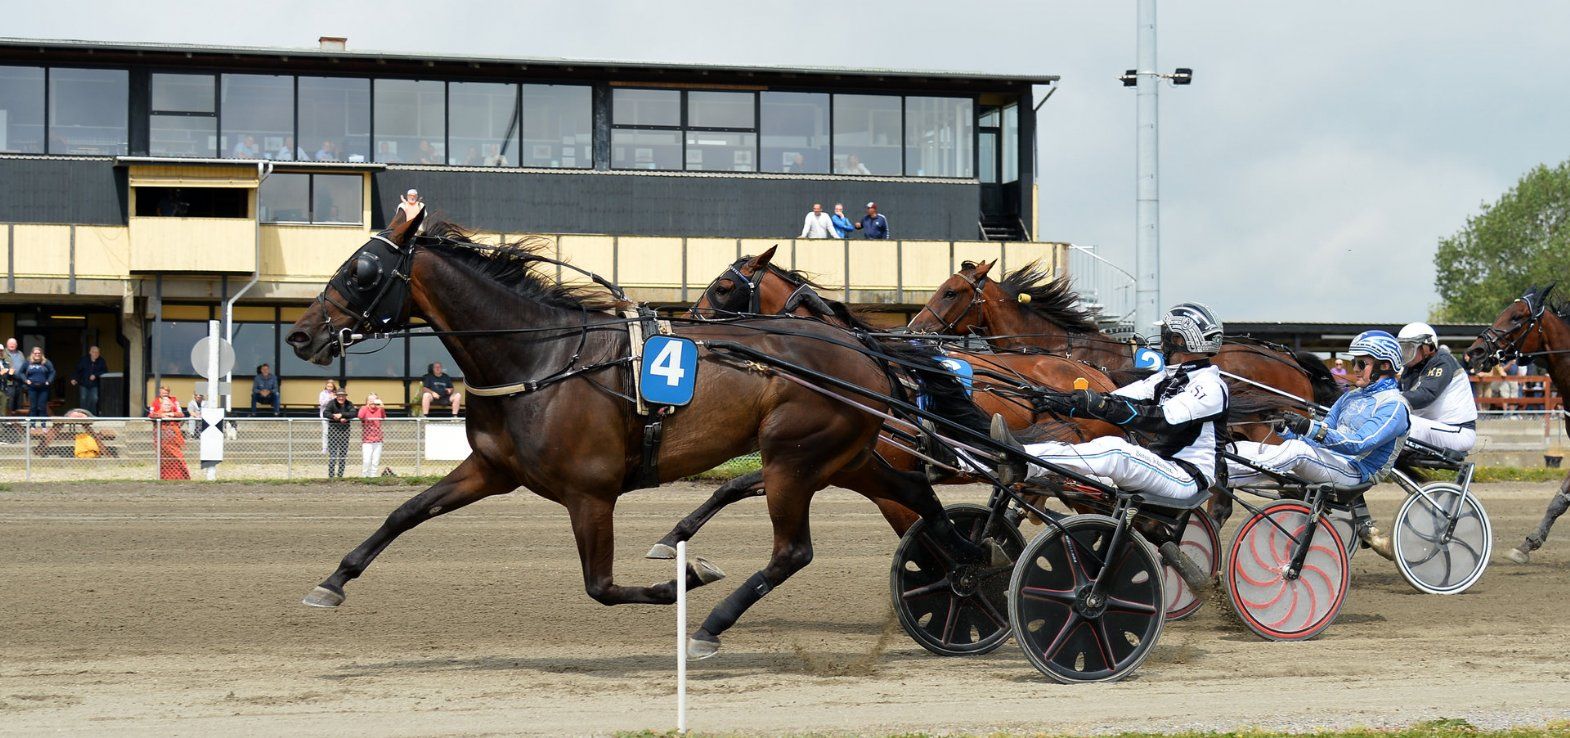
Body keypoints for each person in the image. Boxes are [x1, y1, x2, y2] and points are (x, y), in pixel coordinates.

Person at [991, 303, 1230, 577]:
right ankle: (998, 459)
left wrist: (1104, 407)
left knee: (1117, 452)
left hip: (1186, 477)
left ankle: (1023, 459)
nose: (1162, 340)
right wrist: (1054, 400)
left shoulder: (1210, 386)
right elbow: (1116, 400)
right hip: (1162, 470)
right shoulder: (1165, 379)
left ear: (1179, 339)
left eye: (1167, 334)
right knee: (1083, 449)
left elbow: (1163, 418)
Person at [1226, 330, 1411, 560]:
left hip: (1356, 472)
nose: (1354, 369)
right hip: (1329, 461)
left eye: (1361, 363)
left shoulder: (1394, 407)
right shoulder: (1350, 397)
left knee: (1298, 452)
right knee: (1242, 449)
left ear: (1384, 366)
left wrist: (1309, 427)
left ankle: (1222, 475)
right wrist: (1286, 430)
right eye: (1354, 362)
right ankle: (1221, 466)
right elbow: (1323, 430)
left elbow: (1360, 444)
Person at [1396, 322, 1476, 455]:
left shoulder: (1442, 361)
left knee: (1403, 423)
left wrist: (1388, 398)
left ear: (1428, 347)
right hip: (1433, 428)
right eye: (1403, 348)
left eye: (1409, 348)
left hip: (1456, 431)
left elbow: (1425, 395)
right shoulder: (1411, 369)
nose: (1405, 353)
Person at [148, 386, 190, 480]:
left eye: (167, 392)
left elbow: (181, 414)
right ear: (160, 392)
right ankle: (164, 477)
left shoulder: (174, 400)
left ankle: (182, 476)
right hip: (161, 434)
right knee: (163, 457)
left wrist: (172, 414)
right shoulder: (155, 402)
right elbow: (150, 415)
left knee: (178, 456)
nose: (165, 394)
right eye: (163, 392)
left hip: (173, 434)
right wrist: (161, 415)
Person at [324, 388, 356, 478]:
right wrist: (334, 416)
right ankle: (331, 476)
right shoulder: (331, 403)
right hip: (333, 431)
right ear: (336, 396)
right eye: (339, 396)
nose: (341, 398)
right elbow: (325, 413)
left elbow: (353, 413)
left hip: (345, 432)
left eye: (343, 396)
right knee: (333, 455)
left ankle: (340, 475)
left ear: (345, 396)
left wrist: (342, 415)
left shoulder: (349, 403)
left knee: (343, 455)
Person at [20, 347, 55, 419]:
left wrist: (49, 381)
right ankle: (32, 425)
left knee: (42, 406)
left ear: (41, 354)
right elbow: (21, 372)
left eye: (39, 353)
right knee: (33, 407)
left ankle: (43, 425)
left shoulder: (46, 362)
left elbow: (52, 372)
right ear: (32, 354)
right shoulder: (28, 362)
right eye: (35, 353)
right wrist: (26, 380)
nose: (37, 355)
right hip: (32, 388)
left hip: (43, 388)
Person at [71, 345, 107, 415]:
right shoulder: (84, 360)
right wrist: (74, 378)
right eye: (94, 352)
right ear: (90, 352)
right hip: (83, 383)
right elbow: (77, 370)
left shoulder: (101, 361)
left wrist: (95, 375)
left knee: (94, 398)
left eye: (97, 352)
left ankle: (91, 415)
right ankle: (84, 414)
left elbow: (105, 371)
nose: (96, 354)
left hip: (94, 384)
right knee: (83, 398)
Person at [358, 392, 387, 477]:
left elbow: (383, 417)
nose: (373, 402)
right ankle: (364, 476)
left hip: (378, 438)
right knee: (366, 460)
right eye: (370, 400)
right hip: (367, 439)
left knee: (375, 460)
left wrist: (381, 406)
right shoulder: (364, 408)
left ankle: (373, 476)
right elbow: (360, 416)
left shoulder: (379, 409)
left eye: (375, 399)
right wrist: (367, 406)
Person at [318, 379, 338, 454]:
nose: (329, 388)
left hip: (334, 415)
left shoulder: (335, 393)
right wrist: (329, 398)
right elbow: (321, 403)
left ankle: (333, 447)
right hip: (324, 414)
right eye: (328, 386)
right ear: (326, 386)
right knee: (325, 432)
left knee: (333, 432)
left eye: (331, 386)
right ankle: (324, 448)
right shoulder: (322, 393)